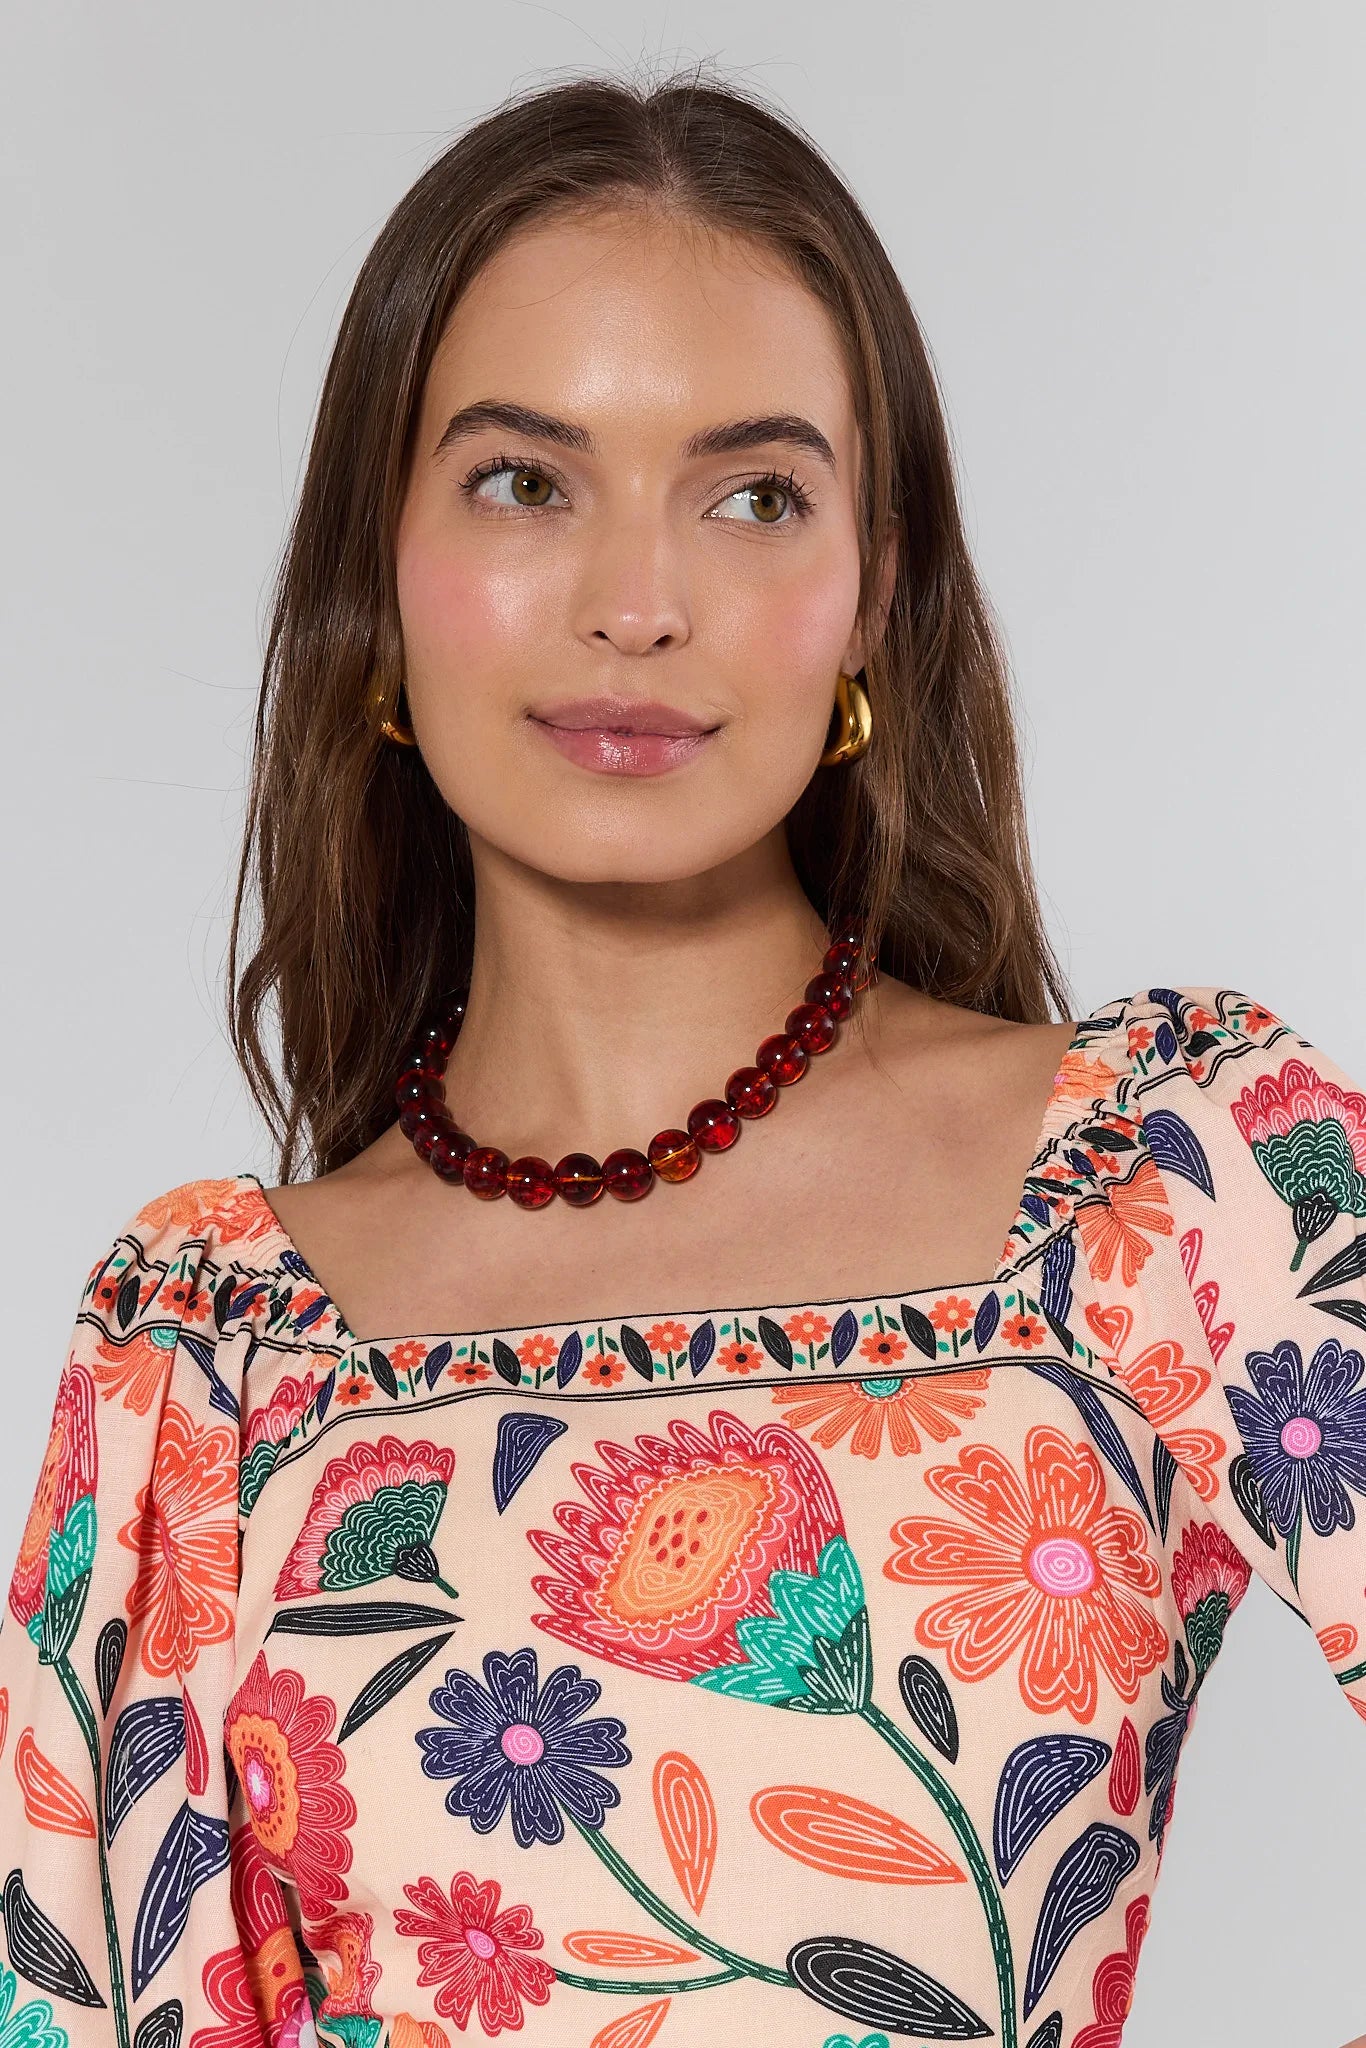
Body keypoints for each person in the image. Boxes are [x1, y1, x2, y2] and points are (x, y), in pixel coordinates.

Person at [2, 65, 1362, 2048]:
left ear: (869, 596)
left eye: (750, 497)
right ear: (373, 590)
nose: (637, 604)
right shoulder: (204, 1360)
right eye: (522, 481)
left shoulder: (1174, 1185)